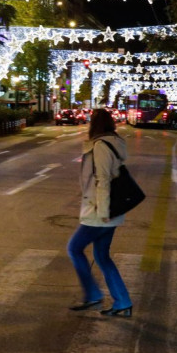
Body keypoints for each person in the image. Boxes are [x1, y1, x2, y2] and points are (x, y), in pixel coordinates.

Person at [67, 108, 133, 317]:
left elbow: (103, 180)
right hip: (105, 212)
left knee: (74, 248)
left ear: (94, 125)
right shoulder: (110, 143)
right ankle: (122, 301)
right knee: (102, 256)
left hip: (100, 212)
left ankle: (94, 295)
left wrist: (104, 213)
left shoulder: (101, 146)